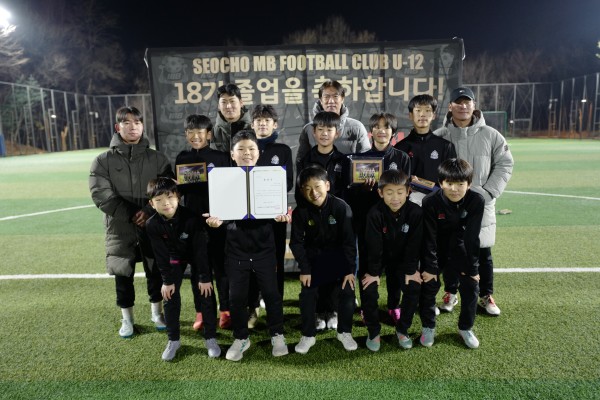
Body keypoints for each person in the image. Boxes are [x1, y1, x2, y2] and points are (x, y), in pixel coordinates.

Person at [204, 130, 290, 362]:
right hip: (236, 250)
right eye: (241, 149)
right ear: (232, 154)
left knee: (272, 295)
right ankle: (241, 337)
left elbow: (277, 211)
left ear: (259, 153)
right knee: (237, 298)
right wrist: (216, 222)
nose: (247, 153)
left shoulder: (270, 177)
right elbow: (222, 216)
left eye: (251, 149)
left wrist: (282, 217)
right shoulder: (222, 180)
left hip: (264, 249)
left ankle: (277, 334)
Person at [89, 106, 174, 338]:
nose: (133, 127)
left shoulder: (158, 158)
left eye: (137, 122)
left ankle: (157, 313)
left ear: (142, 126)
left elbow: (168, 188)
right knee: (122, 274)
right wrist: (132, 213)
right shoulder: (102, 161)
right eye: (127, 123)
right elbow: (101, 194)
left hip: (152, 224)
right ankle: (127, 319)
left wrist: (148, 210)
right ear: (118, 127)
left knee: (155, 270)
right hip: (119, 226)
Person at [434, 87, 514, 316]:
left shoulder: (491, 135)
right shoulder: (440, 135)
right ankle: (450, 292)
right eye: (458, 102)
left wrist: (488, 193)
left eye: (467, 102)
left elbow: (505, 163)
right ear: (450, 106)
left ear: (473, 105)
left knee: (482, 251)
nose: (463, 106)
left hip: (480, 203)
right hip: (448, 204)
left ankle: (486, 295)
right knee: (450, 251)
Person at [346, 112, 411, 326]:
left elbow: (405, 191)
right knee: (367, 266)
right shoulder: (360, 159)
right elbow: (352, 195)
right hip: (368, 222)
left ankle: (393, 305)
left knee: (395, 267)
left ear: (393, 132)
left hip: (395, 222)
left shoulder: (402, 158)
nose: (381, 131)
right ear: (371, 131)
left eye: (386, 127)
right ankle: (368, 308)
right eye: (377, 127)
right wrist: (365, 189)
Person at [145, 177, 221, 361]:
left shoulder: (192, 218)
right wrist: (167, 281)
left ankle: (210, 338)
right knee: (169, 294)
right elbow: (161, 255)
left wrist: (204, 277)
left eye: (170, 197)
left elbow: (200, 250)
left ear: (178, 197)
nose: (166, 203)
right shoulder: (152, 224)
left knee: (205, 291)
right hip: (174, 257)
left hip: (195, 255)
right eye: (159, 200)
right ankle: (173, 340)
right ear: (151, 203)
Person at [290, 164, 358, 354]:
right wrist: (305, 269)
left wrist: (348, 270)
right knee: (307, 294)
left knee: (348, 291)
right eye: (307, 188)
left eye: (317, 186)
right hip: (314, 262)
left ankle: (344, 332)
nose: (313, 193)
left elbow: (349, 242)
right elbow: (296, 243)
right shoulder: (300, 212)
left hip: (339, 259)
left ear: (327, 185)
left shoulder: (341, 207)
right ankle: (308, 335)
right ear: (302, 190)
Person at [174, 114, 232, 331]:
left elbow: (229, 188)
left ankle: (225, 311)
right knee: (198, 269)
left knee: (222, 268)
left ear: (209, 134)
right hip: (192, 223)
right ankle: (201, 311)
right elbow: (180, 191)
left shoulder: (221, 157)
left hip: (218, 222)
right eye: (191, 132)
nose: (195, 136)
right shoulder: (182, 158)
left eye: (200, 132)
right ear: (186, 135)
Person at [421, 158, 485, 348]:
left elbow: (472, 237)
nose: (454, 189)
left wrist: (472, 269)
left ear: (469, 184)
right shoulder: (430, 201)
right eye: (449, 183)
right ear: (441, 183)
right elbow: (429, 238)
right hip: (436, 249)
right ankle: (428, 327)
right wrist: (430, 267)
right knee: (428, 285)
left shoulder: (476, 200)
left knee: (471, 286)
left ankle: (465, 328)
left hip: (461, 248)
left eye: (460, 184)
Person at [295, 110, 349, 330]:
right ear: (313, 133)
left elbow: (346, 191)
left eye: (329, 129)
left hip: (336, 220)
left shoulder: (344, 160)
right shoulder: (305, 160)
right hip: (312, 220)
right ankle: (318, 312)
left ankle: (333, 310)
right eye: (320, 129)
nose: (325, 133)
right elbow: (300, 192)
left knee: (335, 267)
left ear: (337, 133)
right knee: (316, 266)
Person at [363, 169, 424, 351]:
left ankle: (402, 329)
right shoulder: (374, 213)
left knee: (414, 286)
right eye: (389, 193)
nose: (395, 198)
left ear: (408, 192)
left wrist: (411, 270)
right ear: (380, 193)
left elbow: (414, 245)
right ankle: (373, 331)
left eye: (400, 192)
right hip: (379, 258)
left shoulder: (416, 212)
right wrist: (374, 273)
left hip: (404, 259)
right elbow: (374, 247)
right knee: (368, 287)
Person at [247, 104, 294, 329]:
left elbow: (288, 182)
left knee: (275, 262)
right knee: (250, 261)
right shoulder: (245, 148)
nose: (262, 124)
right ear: (252, 124)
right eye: (258, 120)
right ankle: (252, 306)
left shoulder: (282, 150)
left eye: (267, 120)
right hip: (248, 217)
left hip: (274, 215)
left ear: (275, 125)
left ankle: (275, 305)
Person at [395, 94, 457, 206]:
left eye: (427, 110)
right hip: (408, 205)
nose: (422, 114)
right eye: (418, 110)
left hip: (438, 204)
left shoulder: (445, 146)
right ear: (410, 115)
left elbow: (452, 179)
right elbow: (395, 180)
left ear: (434, 115)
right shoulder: (400, 147)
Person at [296, 79, 371, 168]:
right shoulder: (308, 129)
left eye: (335, 96)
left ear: (342, 99)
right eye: (326, 97)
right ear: (320, 100)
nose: (331, 101)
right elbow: (301, 161)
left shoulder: (356, 127)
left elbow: (367, 160)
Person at [210, 83, 252, 153]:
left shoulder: (254, 129)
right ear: (219, 106)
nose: (228, 106)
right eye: (224, 102)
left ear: (241, 103)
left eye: (232, 101)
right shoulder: (211, 133)